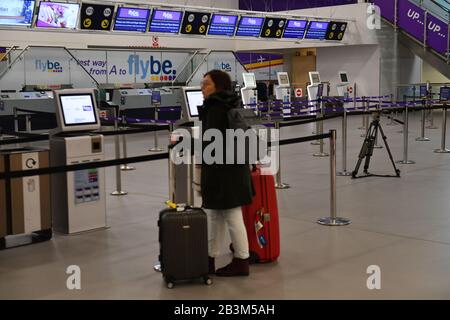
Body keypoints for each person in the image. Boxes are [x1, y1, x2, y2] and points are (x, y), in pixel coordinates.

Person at [199, 70, 254, 277]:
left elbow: (212, 145)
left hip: (222, 172)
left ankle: (240, 260)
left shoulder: (215, 109)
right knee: (219, 215)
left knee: (228, 215)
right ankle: (213, 258)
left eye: (206, 84)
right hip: (234, 169)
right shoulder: (230, 103)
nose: (202, 88)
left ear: (218, 87)